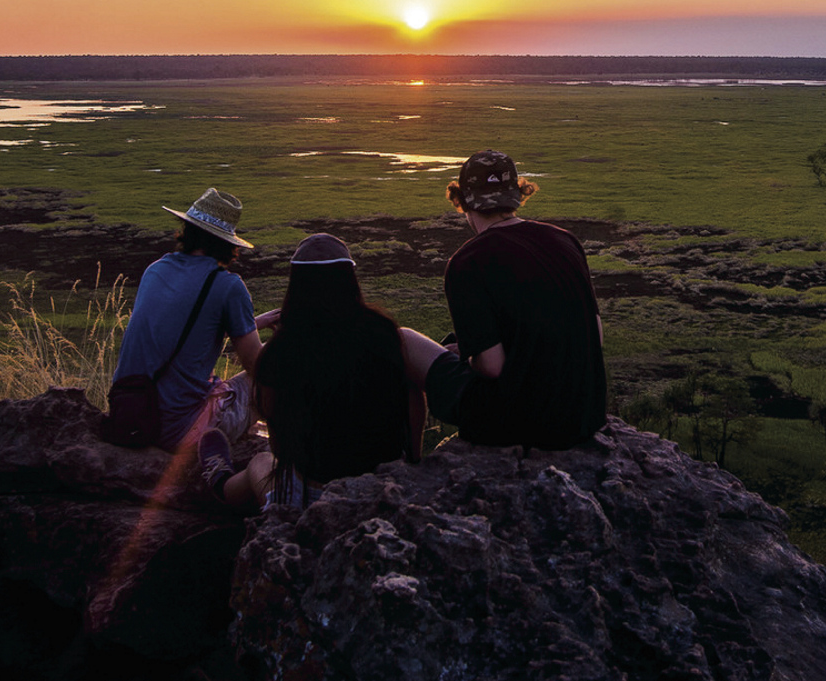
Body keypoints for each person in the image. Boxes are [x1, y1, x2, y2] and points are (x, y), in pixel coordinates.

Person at [397, 149, 608, 451]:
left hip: (513, 423)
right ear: (517, 195)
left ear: (463, 200)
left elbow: (492, 367)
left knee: (403, 341)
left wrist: (467, 356)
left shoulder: (467, 261)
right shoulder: (566, 240)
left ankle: (410, 461)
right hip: (584, 416)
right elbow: (595, 335)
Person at [204, 232, 421, 511]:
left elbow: (280, 443)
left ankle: (221, 483)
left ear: (296, 285)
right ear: (350, 279)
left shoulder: (281, 350)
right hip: (386, 484)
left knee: (262, 463)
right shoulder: (384, 332)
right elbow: (412, 392)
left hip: (314, 499)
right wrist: (413, 460)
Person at [113, 187, 275, 456]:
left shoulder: (155, 269)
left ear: (187, 230)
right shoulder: (227, 286)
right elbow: (257, 367)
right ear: (228, 244)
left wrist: (255, 322)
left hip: (132, 417)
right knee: (271, 375)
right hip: (180, 431)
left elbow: (187, 332)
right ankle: (284, 457)